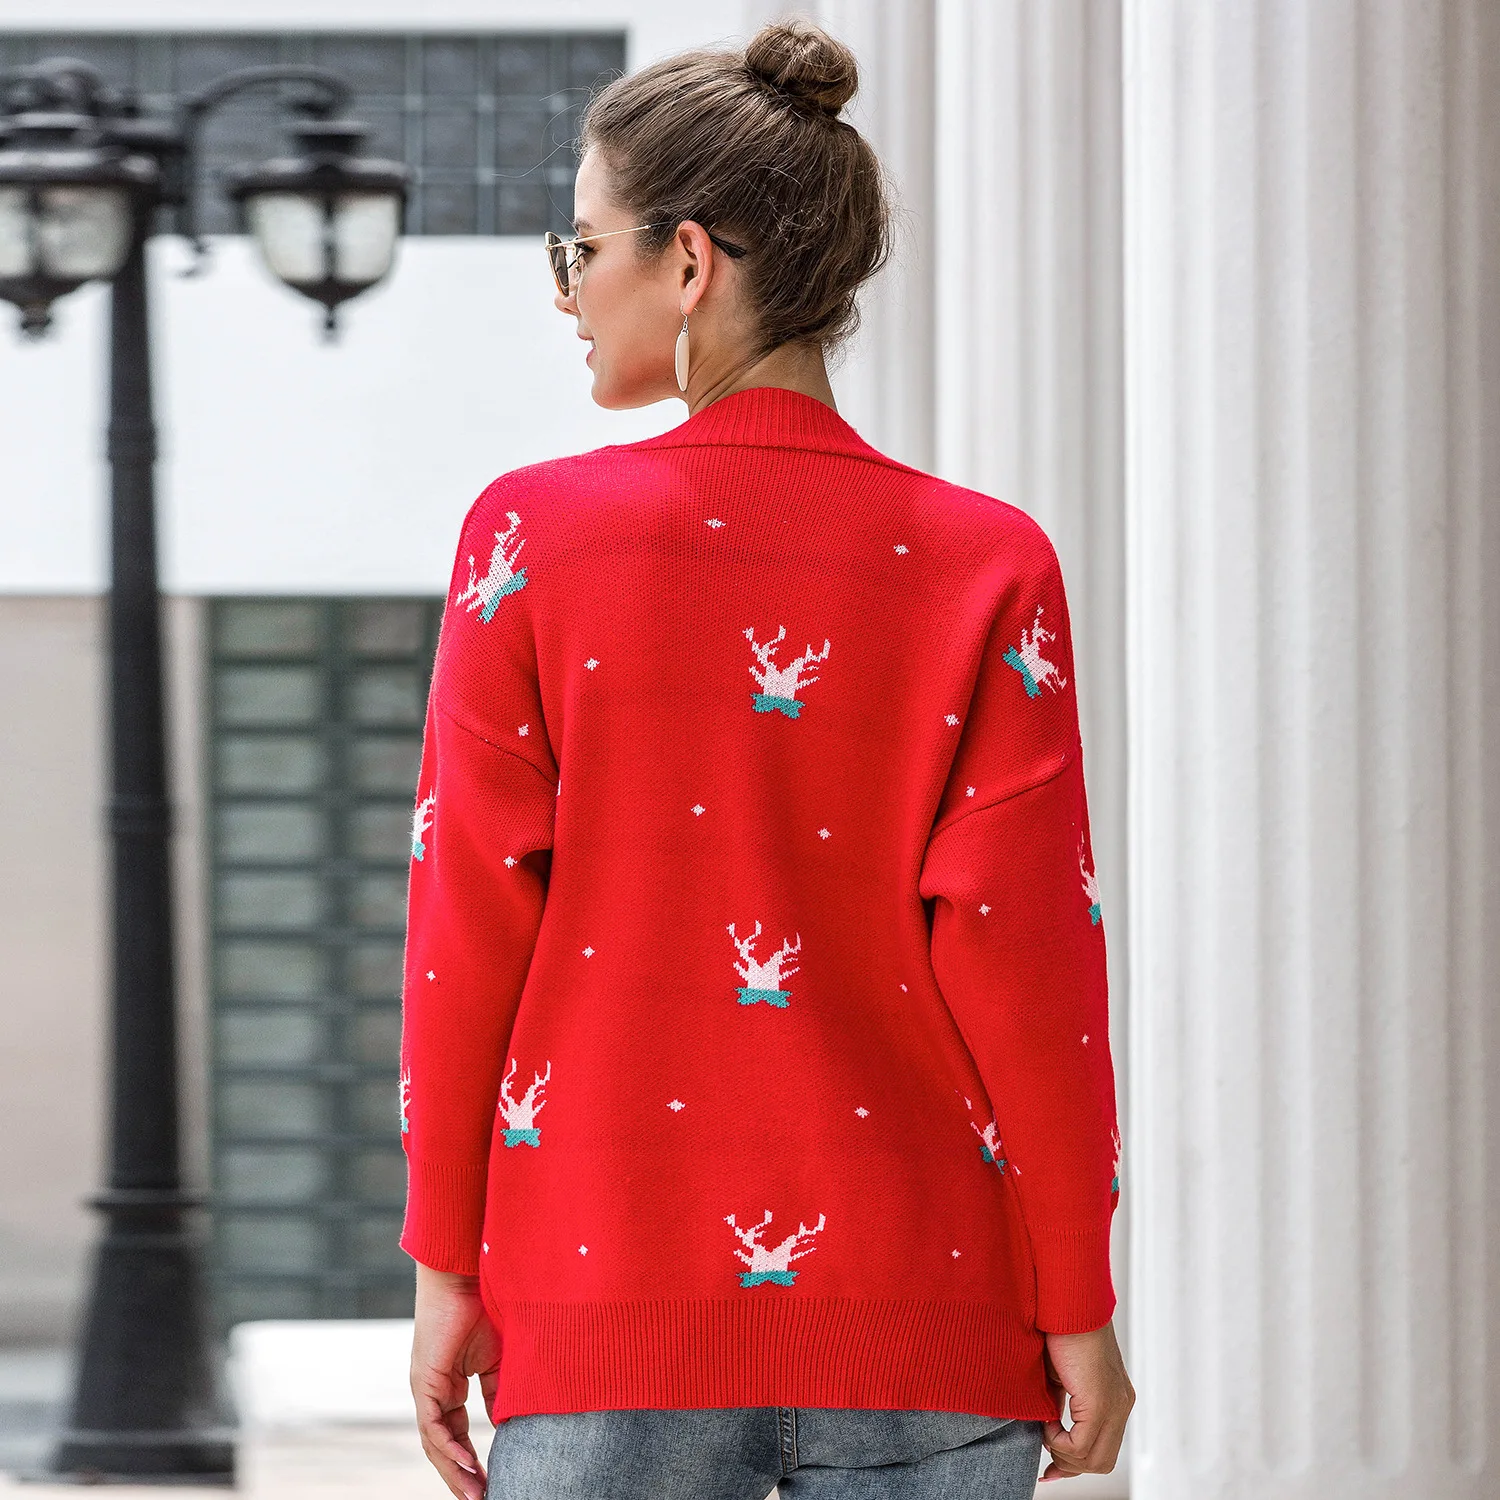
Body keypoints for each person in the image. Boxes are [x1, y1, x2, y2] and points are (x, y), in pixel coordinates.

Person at [400, 17, 1134, 1500]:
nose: (569, 293)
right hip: (927, 1321)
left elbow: (466, 930)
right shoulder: (987, 563)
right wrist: (1077, 1302)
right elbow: (1030, 961)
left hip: (604, 1317)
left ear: (688, 261)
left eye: (579, 249)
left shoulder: (530, 540)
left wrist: (446, 1267)